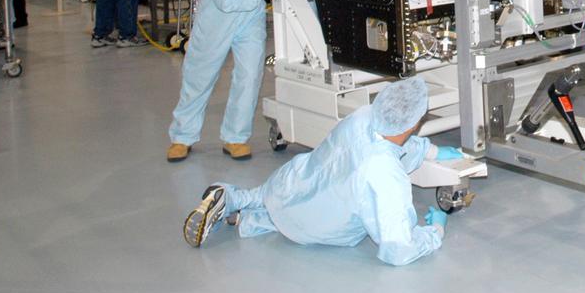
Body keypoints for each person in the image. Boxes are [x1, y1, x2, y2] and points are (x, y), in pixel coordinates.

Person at [182, 76, 463, 266]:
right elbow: (397, 250)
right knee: (295, 219)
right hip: (317, 226)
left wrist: (431, 151)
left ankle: (231, 200)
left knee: (271, 198)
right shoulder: (386, 173)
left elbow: (391, 137)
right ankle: (237, 218)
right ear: (414, 124)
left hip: (292, 181)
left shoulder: (364, 116)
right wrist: (436, 230)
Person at [167, 0, 284, 162]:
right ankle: (182, 137)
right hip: (218, 17)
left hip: (251, 16)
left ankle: (235, 137)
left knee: (250, 74)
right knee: (199, 75)